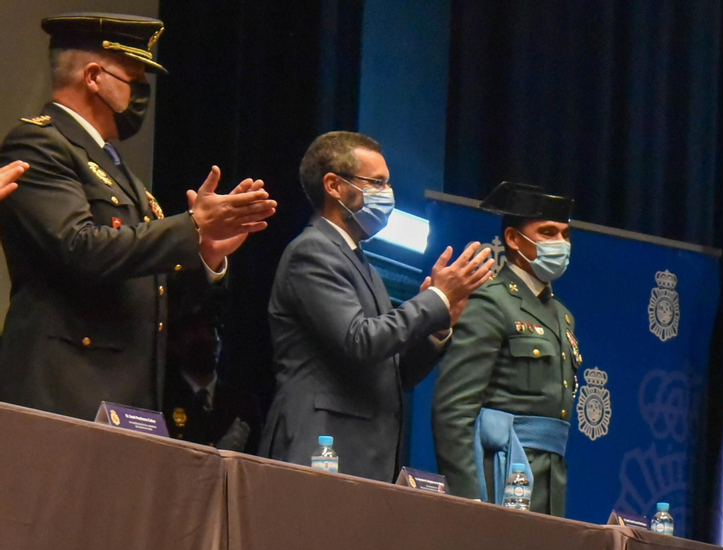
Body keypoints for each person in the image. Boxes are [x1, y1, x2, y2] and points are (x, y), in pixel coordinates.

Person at [0, 13, 276, 420]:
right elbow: (81, 249)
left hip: (128, 402)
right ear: (93, 76)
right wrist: (190, 225)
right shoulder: (40, 143)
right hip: (64, 394)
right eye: (135, 80)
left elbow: (154, 297)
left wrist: (205, 255)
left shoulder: (118, 170)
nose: (144, 93)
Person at [260, 132, 494, 481]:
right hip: (321, 451)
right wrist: (435, 299)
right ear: (334, 186)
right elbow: (360, 341)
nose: (388, 195)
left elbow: (394, 373)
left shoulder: (362, 264)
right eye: (378, 183)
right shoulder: (312, 251)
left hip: (365, 456)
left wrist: (439, 326)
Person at [432, 183, 579, 512]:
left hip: (549, 477)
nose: (561, 243)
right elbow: (454, 410)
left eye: (566, 235)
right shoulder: (492, 302)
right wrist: (467, 499)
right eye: (548, 231)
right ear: (513, 239)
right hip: (499, 476)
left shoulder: (562, 316)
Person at [161, 307, 260, 451]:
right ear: (175, 344)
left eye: (212, 331)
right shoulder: (164, 400)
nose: (208, 338)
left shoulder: (243, 405)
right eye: (195, 331)